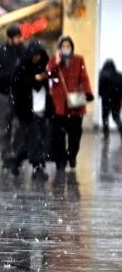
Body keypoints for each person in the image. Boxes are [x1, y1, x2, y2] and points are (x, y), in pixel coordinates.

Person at [44, 35, 94, 171]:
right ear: (60, 48)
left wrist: (88, 92)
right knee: (58, 136)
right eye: (63, 46)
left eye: (68, 46)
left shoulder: (78, 60)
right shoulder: (55, 60)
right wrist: (57, 62)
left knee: (75, 135)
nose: (66, 49)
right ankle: (60, 159)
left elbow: (84, 77)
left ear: (72, 47)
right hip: (59, 104)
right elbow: (48, 74)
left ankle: (72, 155)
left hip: (75, 105)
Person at [0, 24, 26, 170]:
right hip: (2, 93)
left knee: (20, 126)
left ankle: (14, 151)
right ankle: (6, 154)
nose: (20, 40)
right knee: (3, 127)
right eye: (17, 37)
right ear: (9, 38)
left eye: (21, 37)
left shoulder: (24, 52)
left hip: (20, 94)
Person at [11, 40, 53, 180]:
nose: (36, 58)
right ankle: (38, 168)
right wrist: (35, 79)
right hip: (27, 111)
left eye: (38, 55)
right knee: (36, 139)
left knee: (31, 140)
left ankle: (17, 159)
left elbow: (48, 88)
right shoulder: (22, 68)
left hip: (41, 108)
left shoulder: (44, 67)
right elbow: (18, 87)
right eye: (34, 55)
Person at [98, 59, 122, 140]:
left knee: (105, 117)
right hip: (116, 99)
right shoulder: (119, 75)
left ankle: (106, 134)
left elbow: (100, 88)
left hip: (106, 99)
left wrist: (101, 94)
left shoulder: (103, 74)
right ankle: (121, 128)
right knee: (116, 116)